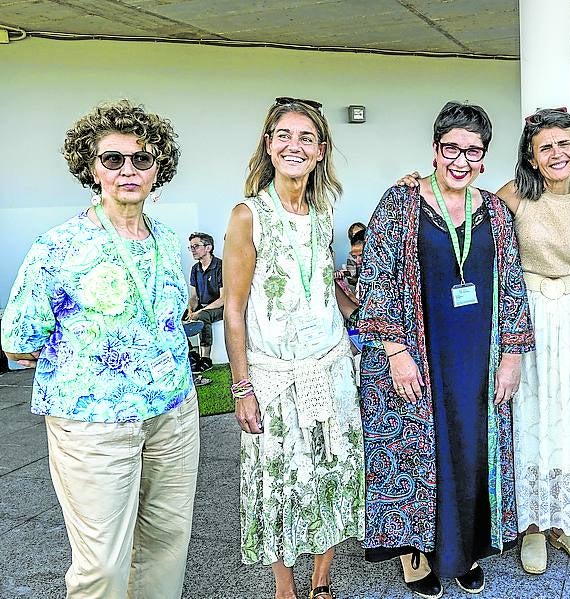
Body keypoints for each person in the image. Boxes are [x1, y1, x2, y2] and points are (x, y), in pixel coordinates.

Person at [1, 99, 198, 598]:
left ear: (159, 168)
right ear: (91, 167)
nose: (128, 170)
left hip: (172, 413)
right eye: (113, 159)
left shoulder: (167, 239)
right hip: (93, 423)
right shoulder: (59, 246)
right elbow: (19, 341)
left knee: (166, 548)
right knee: (103, 567)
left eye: (142, 159)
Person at [358, 101, 534, 598]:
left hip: (477, 354)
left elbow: (513, 285)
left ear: (484, 157)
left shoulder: (495, 211)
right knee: (418, 449)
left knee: (470, 445)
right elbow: (377, 278)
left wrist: (512, 355)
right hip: (418, 350)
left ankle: (463, 549)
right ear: (435, 150)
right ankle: (416, 553)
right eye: (451, 148)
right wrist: (395, 351)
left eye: (472, 151)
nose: (460, 160)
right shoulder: (401, 202)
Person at [223, 97, 365, 599]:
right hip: (274, 376)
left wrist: (377, 322)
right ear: (268, 144)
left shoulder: (324, 214)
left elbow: (327, 289)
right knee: (276, 483)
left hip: (329, 369)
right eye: (284, 135)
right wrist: (241, 387)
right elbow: (234, 309)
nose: (294, 145)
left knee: (334, 472)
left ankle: (321, 581)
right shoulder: (248, 215)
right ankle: (285, 588)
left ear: (321, 150)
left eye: (307, 138)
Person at [495, 109, 570, 574]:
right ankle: (533, 528)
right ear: (531, 155)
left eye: (564, 144)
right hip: (527, 316)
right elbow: (458, 209)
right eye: (546, 147)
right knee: (532, 415)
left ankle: (566, 524)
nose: (556, 153)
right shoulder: (513, 197)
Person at [186, 231, 224, 366]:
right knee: (177, 316)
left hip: (220, 307)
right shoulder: (195, 269)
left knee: (202, 316)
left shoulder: (220, 266)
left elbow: (223, 298)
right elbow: (194, 297)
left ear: (208, 248)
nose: (192, 250)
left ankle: (206, 359)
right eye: (191, 247)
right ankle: (191, 354)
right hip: (202, 306)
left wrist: (199, 312)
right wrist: (190, 309)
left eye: (196, 246)